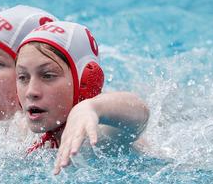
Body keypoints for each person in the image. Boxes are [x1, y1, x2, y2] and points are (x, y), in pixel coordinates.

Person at [15, 21, 149, 174]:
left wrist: (92, 107)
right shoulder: (20, 130)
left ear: (86, 81)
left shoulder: (100, 135)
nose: (31, 92)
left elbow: (140, 113)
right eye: (23, 77)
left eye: (47, 76)